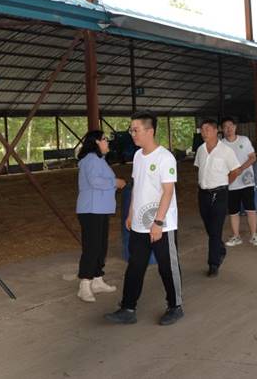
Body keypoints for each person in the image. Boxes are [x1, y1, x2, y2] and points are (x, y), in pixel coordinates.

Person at [105, 112, 183, 325]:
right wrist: (130, 214)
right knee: (135, 266)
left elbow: (168, 192)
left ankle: (175, 306)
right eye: (131, 130)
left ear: (150, 131)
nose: (132, 134)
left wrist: (158, 222)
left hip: (162, 225)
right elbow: (137, 187)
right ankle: (128, 308)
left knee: (167, 267)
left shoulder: (165, 157)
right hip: (139, 224)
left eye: (135, 130)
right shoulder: (138, 156)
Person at [75, 130, 127, 302]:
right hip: (91, 209)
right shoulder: (91, 159)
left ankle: (97, 279)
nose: (107, 142)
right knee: (92, 247)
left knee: (100, 246)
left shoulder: (99, 160)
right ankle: (84, 284)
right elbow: (95, 181)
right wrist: (115, 182)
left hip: (100, 209)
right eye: (104, 139)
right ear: (96, 142)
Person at [194, 119, 241, 277]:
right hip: (203, 193)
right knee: (209, 227)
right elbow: (200, 169)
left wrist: (224, 184)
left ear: (216, 131)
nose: (204, 132)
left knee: (215, 229)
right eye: (202, 130)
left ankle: (213, 263)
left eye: (207, 129)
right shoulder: (200, 150)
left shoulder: (226, 151)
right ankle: (220, 248)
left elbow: (235, 170)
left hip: (220, 194)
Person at [221, 117, 257, 247]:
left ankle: (254, 235)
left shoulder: (244, 140)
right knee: (233, 211)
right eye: (225, 126)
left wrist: (240, 169)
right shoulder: (221, 144)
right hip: (231, 183)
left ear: (235, 127)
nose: (228, 128)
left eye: (230, 125)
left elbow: (253, 157)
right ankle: (236, 236)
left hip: (246, 181)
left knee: (251, 209)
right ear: (222, 129)